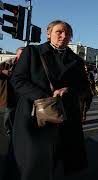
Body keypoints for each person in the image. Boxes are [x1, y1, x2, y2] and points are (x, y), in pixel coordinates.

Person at [10, 20, 88, 180]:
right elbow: (18, 80)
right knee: (33, 164)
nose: (63, 36)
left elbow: (84, 88)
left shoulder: (77, 61)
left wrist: (69, 90)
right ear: (49, 34)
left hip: (65, 116)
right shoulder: (32, 52)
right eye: (59, 31)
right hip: (35, 116)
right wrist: (46, 96)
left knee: (61, 163)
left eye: (67, 33)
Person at [0, 47, 24, 180]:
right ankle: (11, 132)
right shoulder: (8, 63)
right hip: (9, 97)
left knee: (15, 118)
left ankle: (15, 134)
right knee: (8, 118)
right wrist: (7, 72)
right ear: (17, 54)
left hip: (21, 98)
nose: (21, 57)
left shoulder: (26, 65)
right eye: (20, 54)